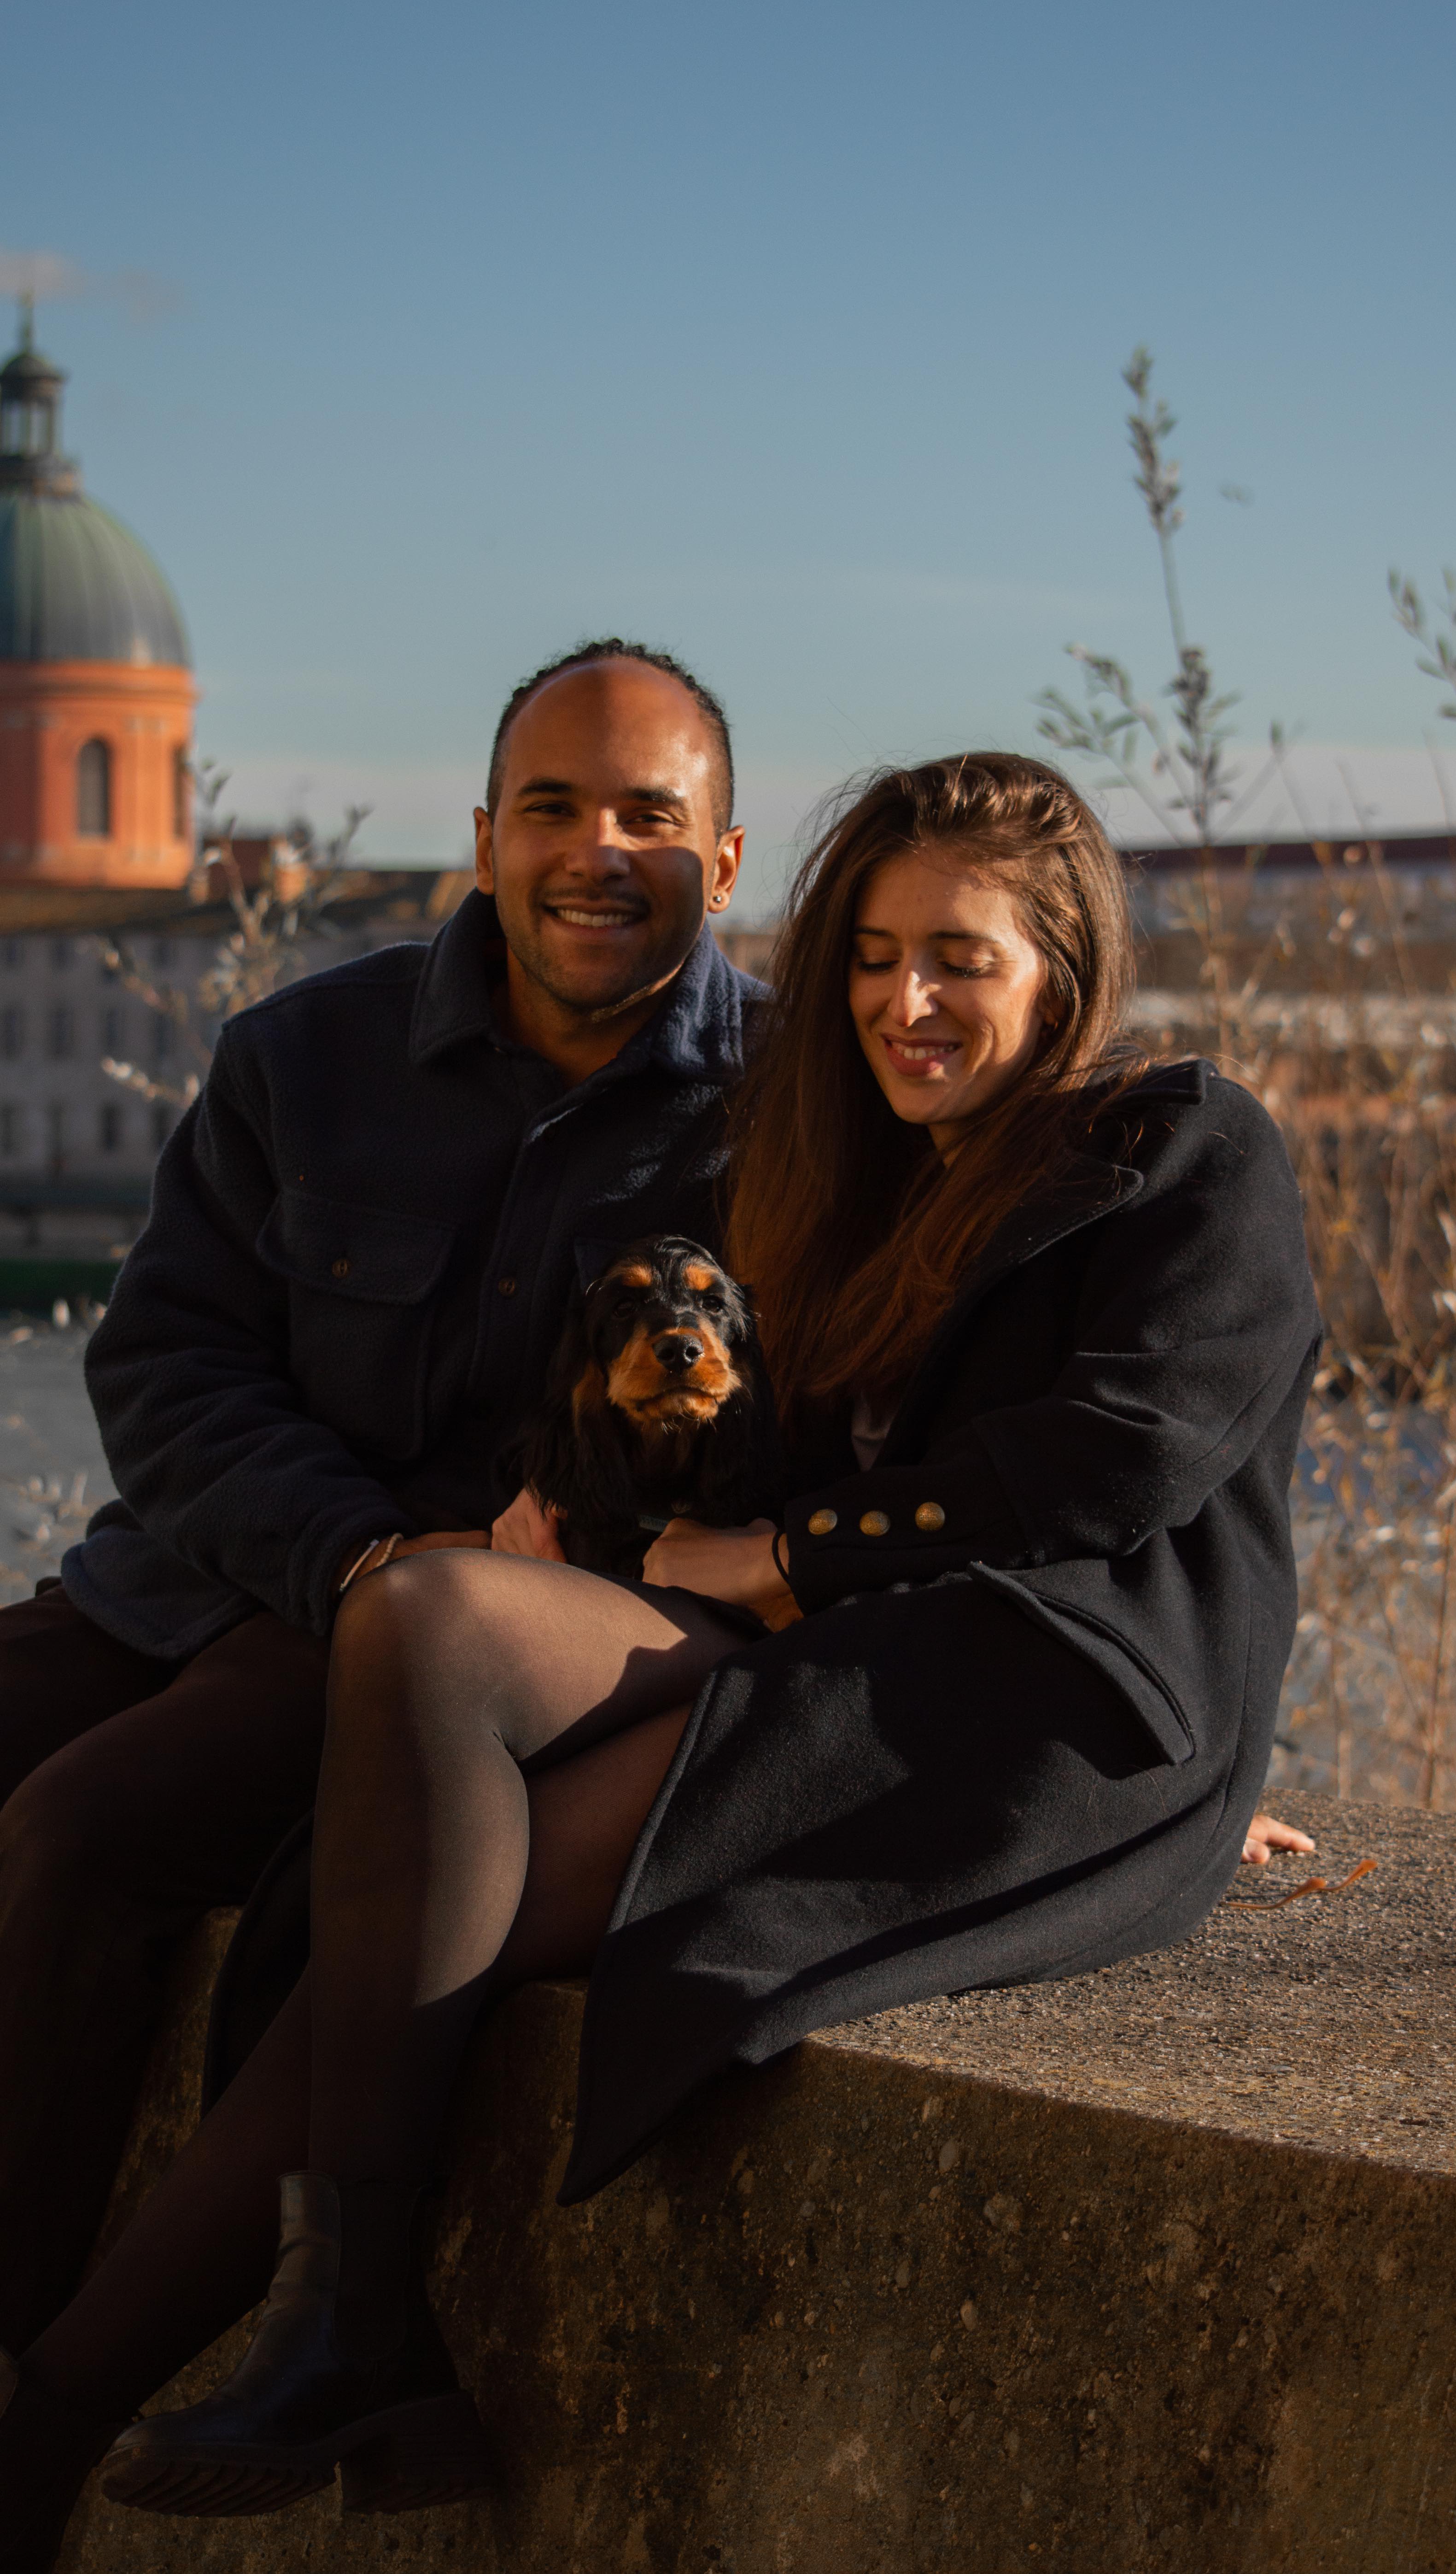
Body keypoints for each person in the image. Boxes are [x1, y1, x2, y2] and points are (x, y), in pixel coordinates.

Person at [0, 749, 1321, 2565]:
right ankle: (330, 2327)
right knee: (432, 1626)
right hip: (845, 1662)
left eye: (959, 959)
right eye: (871, 958)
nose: (904, 1003)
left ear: (1064, 969)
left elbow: (1121, 1459)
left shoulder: (1176, 1146)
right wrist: (584, 1513)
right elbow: (752, 1449)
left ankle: (70, 2416)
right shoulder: (860, 1175)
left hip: (1044, 1699)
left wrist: (797, 1560)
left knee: (433, 1880)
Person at [0, 637, 759, 2370]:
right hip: (229, 1570)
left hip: (454, 1656)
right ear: (485, 842)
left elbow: (869, 1422)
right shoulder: (305, 1054)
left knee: (80, 1836)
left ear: (721, 862)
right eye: (551, 809)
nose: (595, 852)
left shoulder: (790, 1113)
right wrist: (354, 1548)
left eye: (648, 816)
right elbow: (167, 1367)